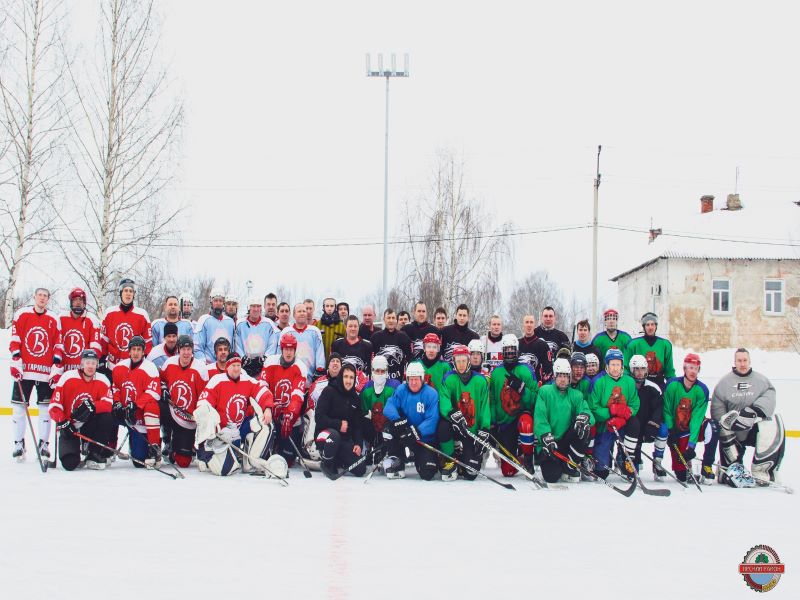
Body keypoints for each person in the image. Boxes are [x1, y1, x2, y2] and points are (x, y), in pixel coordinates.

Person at [194, 354, 279, 477]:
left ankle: (251, 462)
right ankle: (206, 455)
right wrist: (213, 427)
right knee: (225, 470)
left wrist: (267, 408)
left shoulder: (247, 380)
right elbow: (203, 405)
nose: (236, 369)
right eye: (233, 366)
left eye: (238, 365)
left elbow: (263, 392)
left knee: (265, 424)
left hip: (239, 428)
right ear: (227, 367)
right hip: (222, 433)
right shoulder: (217, 380)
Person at [711, 348, 785, 486]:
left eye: (745, 360)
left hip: (753, 430)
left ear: (749, 361)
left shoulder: (761, 381)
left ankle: (762, 472)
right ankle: (727, 468)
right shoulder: (724, 383)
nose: (742, 363)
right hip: (732, 434)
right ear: (734, 362)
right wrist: (728, 425)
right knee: (732, 477)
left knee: (774, 424)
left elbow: (770, 396)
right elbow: (717, 412)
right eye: (739, 360)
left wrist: (753, 411)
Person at [10, 287, 62, 461]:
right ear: (34, 297)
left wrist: (56, 368)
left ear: (48, 299)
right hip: (25, 372)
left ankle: (44, 444)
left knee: (45, 410)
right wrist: (16, 361)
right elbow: (15, 339)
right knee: (18, 408)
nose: (42, 298)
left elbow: (58, 344)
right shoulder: (22, 315)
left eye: (45, 296)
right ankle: (19, 444)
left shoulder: (53, 319)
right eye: (39, 295)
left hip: (45, 373)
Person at [49, 349, 116, 470]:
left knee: (107, 418)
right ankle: (77, 447)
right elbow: (54, 407)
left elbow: (108, 404)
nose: (90, 366)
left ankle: (93, 453)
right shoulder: (67, 377)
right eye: (87, 362)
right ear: (81, 364)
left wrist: (92, 406)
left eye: (93, 363)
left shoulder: (102, 379)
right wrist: (63, 422)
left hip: (89, 425)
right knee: (70, 464)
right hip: (70, 426)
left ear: (97, 364)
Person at [660, 353, 717, 484]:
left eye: (696, 368)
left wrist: (691, 446)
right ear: (684, 368)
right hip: (676, 431)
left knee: (713, 427)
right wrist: (670, 430)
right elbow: (667, 409)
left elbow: (697, 418)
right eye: (690, 367)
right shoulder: (672, 385)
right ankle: (686, 467)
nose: (693, 371)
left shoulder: (702, 390)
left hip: (690, 429)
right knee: (681, 476)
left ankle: (706, 466)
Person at [535, 358, 595, 483]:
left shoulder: (576, 395)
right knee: (551, 476)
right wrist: (545, 436)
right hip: (549, 444)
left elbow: (587, 412)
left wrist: (584, 418)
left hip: (566, 442)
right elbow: (540, 418)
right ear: (555, 376)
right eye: (560, 375)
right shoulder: (544, 392)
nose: (563, 379)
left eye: (566, 376)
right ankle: (559, 466)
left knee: (583, 429)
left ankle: (569, 466)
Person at [437, 345, 491, 481]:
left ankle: (463, 456)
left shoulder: (480, 380)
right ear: (454, 362)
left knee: (471, 474)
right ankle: (451, 458)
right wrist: (452, 414)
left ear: (468, 361)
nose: (461, 364)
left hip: (471, 431)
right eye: (458, 361)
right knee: (442, 427)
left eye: (463, 361)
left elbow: (485, 407)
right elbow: (444, 401)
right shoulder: (449, 379)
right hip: (456, 427)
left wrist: (484, 429)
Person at [381, 362, 440, 480]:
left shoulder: (431, 393)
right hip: (405, 433)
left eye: (416, 379)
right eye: (410, 379)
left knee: (427, 473)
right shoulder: (401, 389)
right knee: (389, 426)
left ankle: (428, 458)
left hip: (422, 439)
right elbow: (389, 406)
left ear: (422, 379)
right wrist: (399, 421)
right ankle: (397, 457)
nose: (413, 382)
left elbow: (433, 420)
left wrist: (417, 431)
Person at [488, 334, 537, 475]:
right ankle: (518, 458)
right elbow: (493, 400)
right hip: (505, 422)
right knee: (508, 472)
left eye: (512, 350)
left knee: (526, 423)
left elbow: (535, 398)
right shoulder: (496, 372)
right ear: (502, 352)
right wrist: (492, 423)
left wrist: (522, 389)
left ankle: (528, 458)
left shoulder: (526, 369)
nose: (509, 354)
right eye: (507, 351)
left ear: (517, 351)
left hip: (522, 417)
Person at [110, 336, 162, 467]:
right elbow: (115, 387)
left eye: (139, 349)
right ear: (129, 351)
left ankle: (154, 447)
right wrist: (117, 403)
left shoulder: (150, 368)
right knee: (107, 414)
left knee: (139, 461)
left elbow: (154, 393)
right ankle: (107, 449)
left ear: (144, 351)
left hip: (138, 415)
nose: (136, 352)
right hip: (123, 411)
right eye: (133, 349)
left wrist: (136, 405)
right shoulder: (119, 367)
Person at [588, 348, 640, 479]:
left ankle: (627, 459)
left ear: (622, 365)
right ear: (607, 365)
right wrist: (610, 412)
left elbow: (635, 403)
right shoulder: (599, 381)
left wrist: (624, 416)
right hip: (605, 426)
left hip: (623, 425)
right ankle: (603, 463)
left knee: (635, 423)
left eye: (618, 364)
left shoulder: (629, 381)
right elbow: (593, 407)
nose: (615, 368)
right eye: (612, 364)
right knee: (601, 472)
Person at [259, 333, 309, 466]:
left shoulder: (300, 367)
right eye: (286, 349)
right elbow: (263, 388)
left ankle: (284, 447)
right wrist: (268, 407)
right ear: (281, 349)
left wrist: (290, 415)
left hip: (288, 414)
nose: (288, 352)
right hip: (271, 411)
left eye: (291, 349)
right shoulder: (270, 362)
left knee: (288, 459)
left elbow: (297, 396)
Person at [159, 335, 209, 466]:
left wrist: (198, 416)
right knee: (155, 406)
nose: (186, 353)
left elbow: (204, 397)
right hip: (171, 409)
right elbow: (160, 380)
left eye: (189, 349)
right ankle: (158, 444)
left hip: (187, 419)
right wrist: (163, 388)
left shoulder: (200, 369)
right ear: (178, 350)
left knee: (183, 462)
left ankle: (177, 448)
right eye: (183, 349)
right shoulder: (169, 363)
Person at [314, 363, 366, 479]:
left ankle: (338, 460)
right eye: (346, 376)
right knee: (334, 436)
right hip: (325, 436)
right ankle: (327, 463)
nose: (348, 381)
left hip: (343, 440)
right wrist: (338, 424)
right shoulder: (329, 391)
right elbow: (319, 417)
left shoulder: (355, 399)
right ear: (340, 377)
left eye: (351, 377)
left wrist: (358, 443)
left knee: (361, 469)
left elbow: (358, 425)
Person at [627, 354, 666, 480]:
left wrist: (653, 424)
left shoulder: (653, 388)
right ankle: (627, 459)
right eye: (636, 369)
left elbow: (659, 409)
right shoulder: (627, 386)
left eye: (642, 369)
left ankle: (657, 462)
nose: (639, 372)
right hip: (632, 427)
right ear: (631, 370)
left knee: (663, 429)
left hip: (649, 426)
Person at [101, 278, 152, 370]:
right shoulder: (109, 313)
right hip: (113, 366)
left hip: (134, 367)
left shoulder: (142, 314)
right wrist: (101, 360)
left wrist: (145, 363)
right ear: (120, 293)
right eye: (125, 290)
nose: (128, 293)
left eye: (131, 291)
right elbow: (104, 340)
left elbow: (147, 343)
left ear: (134, 294)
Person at [359, 356, 400, 456]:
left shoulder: (395, 387)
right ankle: (368, 445)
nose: (380, 374)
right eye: (377, 371)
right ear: (372, 371)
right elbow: (362, 414)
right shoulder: (367, 389)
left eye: (383, 371)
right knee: (363, 423)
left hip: (390, 428)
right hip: (373, 428)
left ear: (387, 371)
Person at [625, 312, 674, 390]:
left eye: (652, 324)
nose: (650, 327)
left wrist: (672, 385)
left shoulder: (665, 345)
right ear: (644, 327)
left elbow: (669, 370)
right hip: (639, 385)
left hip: (659, 384)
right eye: (647, 325)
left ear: (656, 326)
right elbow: (625, 368)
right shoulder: (633, 344)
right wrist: (629, 385)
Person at [59, 288, 102, 373]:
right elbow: (56, 344)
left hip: (83, 371)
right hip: (64, 371)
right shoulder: (61, 318)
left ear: (84, 303)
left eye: (81, 300)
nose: (78, 302)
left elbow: (96, 348)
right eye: (75, 300)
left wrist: (88, 367)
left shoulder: (92, 319)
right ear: (71, 302)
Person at [235, 296, 279, 377]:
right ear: (249, 308)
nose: (256, 309)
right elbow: (237, 345)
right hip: (244, 368)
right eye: (253, 306)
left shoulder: (269, 323)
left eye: (258, 306)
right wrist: (243, 359)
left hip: (263, 369)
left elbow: (272, 344)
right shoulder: (240, 324)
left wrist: (265, 359)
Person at [283, 303, 325, 383]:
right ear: (294, 315)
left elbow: (320, 353)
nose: (302, 313)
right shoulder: (286, 332)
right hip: (290, 378)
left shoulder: (315, 331)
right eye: (299, 311)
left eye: (304, 311)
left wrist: (319, 370)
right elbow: (280, 354)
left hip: (310, 379)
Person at [370, 308, 413, 381]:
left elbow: (409, 358)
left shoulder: (403, 337)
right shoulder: (375, 337)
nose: (391, 320)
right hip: (380, 381)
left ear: (396, 320)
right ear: (384, 319)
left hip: (398, 381)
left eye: (393, 318)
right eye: (388, 318)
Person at [194, 289, 235, 363]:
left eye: (220, 301)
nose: (218, 303)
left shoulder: (230, 322)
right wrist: (203, 363)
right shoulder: (203, 319)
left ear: (223, 303)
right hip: (209, 366)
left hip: (226, 366)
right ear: (211, 302)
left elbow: (232, 347)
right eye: (216, 300)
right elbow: (197, 346)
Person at [518, 314, 553, 383]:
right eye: (527, 322)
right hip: (519, 385)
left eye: (531, 322)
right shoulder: (517, 343)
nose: (529, 325)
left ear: (535, 325)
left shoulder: (543, 345)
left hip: (536, 385)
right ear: (523, 325)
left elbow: (548, 370)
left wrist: (542, 383)